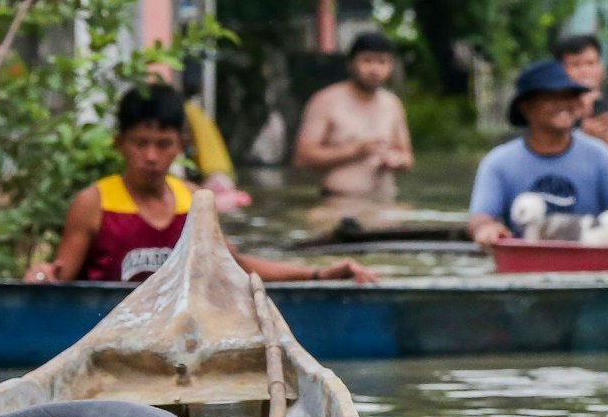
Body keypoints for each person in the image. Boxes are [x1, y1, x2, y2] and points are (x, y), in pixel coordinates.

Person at [26, 85, 375, 285]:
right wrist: (41, 277)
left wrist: (319, 273)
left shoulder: (194, 201)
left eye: (162, 144)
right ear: (119, 143)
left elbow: (237, 267)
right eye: (139, 143)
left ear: (181, 145)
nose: (150, 156)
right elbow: (61, 280)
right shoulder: (94, 202)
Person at [468, 59, 608, 248]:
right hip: (526, 261)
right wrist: (487, 229)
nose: (563, 105)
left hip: (590, 261)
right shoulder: (498, 163)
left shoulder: (601, 157)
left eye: (570, 97)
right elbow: (480, 218)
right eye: (552, 97)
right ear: (527, 107)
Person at [292, 31, 414, 199]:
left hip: (384, 203)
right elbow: (302, 158)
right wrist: (355, 151)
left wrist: (396, 161)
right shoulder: (325, 101)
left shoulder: (392, 104)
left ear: (391, 66)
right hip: (336, 202)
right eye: (367, 60)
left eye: (382, 62)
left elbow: (407, 156)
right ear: (351, 64)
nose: (375, 69)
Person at [552, 33, 608, 171]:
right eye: (575, 65)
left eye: (591, 63)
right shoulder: (552, 111)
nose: (585, 71)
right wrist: (581, 133)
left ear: (602, 68)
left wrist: (605, 134)